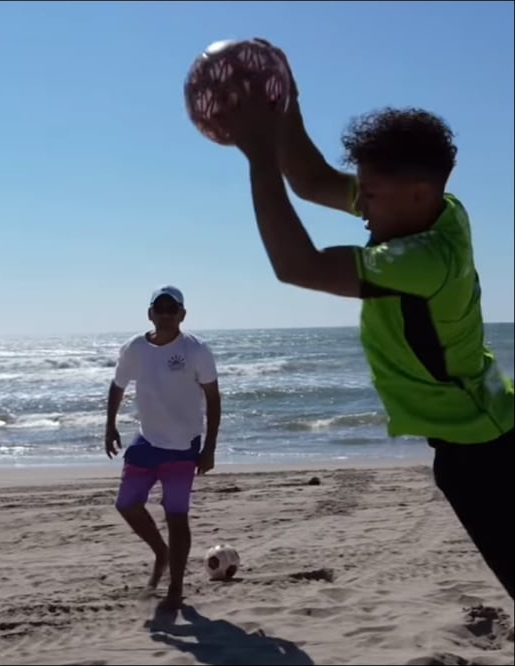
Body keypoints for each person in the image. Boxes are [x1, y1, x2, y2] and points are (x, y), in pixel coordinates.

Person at [220, 44, 514, 601]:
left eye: (371, 195)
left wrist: (259, 157)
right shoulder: (439, 209)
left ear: (417, 192)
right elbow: (309, 181)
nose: (363, 206)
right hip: (493, 420)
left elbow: (296, 266)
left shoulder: (423, 261)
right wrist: (287, 105)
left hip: (481, 452)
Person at [105, 286, 222, 613]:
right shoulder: (135, 349)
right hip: (146, 441)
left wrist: (210, 447)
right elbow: (118, 386)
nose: (167, 313)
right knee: (126, 504)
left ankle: (175, 588)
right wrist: (109, 425)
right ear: (150, 313)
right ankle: (161, 552)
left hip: (184, 448)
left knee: (176, 516)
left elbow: (213, 399)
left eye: (173, 308)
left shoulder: (196, 350)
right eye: (161, 307)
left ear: (183, 314)